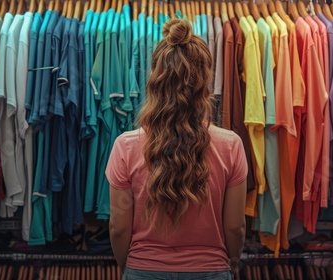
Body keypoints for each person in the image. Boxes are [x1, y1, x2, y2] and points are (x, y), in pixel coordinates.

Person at [106, 18, 248, 280]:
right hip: (211, 270)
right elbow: (236, 228)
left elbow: (118, 228)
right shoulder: (231, 146)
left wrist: (128, 267)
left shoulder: (125, 146)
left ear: (155, 78)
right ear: (205, 80)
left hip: (143, 269)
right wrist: (232, 262)